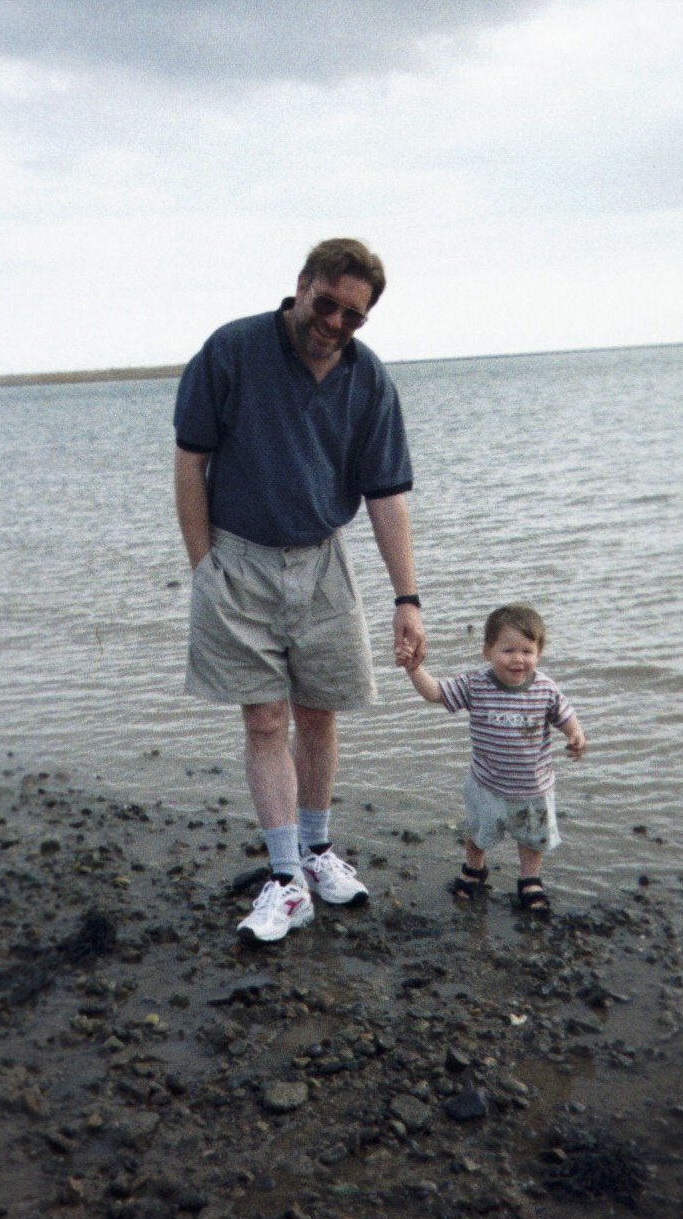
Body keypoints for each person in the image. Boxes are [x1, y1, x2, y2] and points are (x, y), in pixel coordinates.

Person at [173, 237, 426, 944]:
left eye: (354, 315)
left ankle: (316, 851)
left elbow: (386, 496)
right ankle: (285, 879)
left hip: (323, 562)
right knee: (264, 721)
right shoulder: (231, 351)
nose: (335, 323)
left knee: (319, 714)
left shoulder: (368, 379)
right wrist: (204, 568)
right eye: (327, 304)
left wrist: (407, 600)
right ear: (302, 284)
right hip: (238, 559)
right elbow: (190, 463)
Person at [401, 603, 586, 915]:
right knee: (478, 834)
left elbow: (565, 716)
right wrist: (414, 669)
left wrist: (575, 735)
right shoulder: (476, 685)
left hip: (534, 788)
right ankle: (474, 868)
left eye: (527, 651)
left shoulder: (545, 688)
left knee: (532, 839)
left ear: (539, 653)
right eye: (508, 650)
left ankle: (530, 879)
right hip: (486, 785)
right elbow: (435, 693)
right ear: (487, 651)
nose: (518, 659)